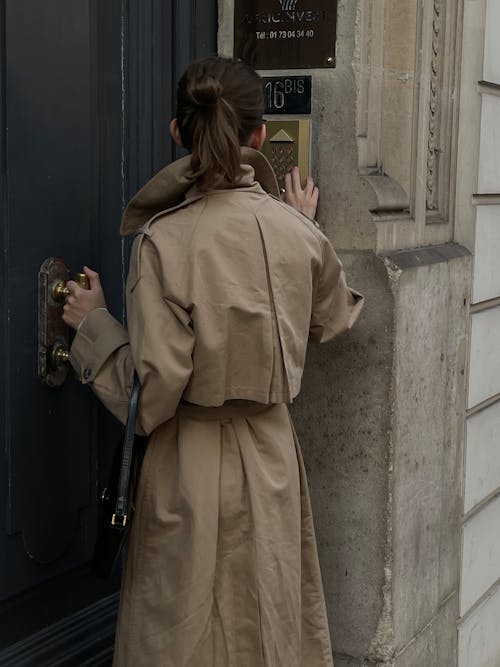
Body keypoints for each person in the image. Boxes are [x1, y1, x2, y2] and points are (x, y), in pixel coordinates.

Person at [63, 56, 363, 667]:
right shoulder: (297, 235)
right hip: (271, 458)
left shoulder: (163, 240)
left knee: (182, 639)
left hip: (188, 466)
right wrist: (296, 232)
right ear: (258, 136)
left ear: (178, 131)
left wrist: (92, 327)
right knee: (269, 632)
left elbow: (154, 391)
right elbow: (331, 318)